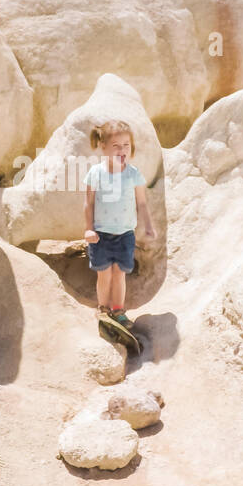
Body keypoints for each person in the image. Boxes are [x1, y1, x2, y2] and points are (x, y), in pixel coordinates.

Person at [83, 119, 155, 330]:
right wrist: (89, 228)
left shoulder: (133, 174)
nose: (122, 150)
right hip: (101, 235)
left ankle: (118, 310)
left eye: (126, 145)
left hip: (125, 234)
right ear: (103, 147)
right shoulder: (95, 173)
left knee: (120, 274)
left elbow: (141, 202)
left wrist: (148, 225)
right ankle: (103, 309)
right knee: (104, 275)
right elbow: (88, 203)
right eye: (116, 146)